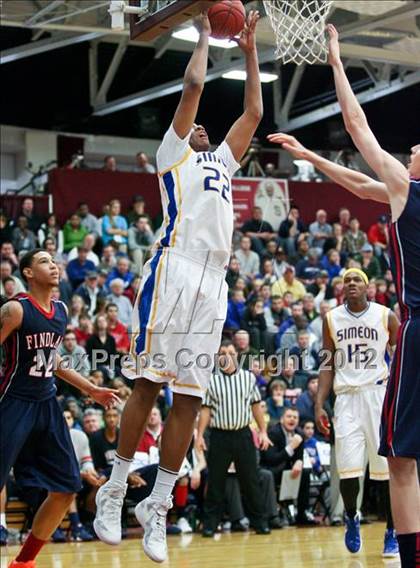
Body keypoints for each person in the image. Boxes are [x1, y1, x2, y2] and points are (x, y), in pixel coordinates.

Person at [93, 9, 263, 563]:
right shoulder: (173, 155)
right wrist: (206, 31)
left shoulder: (222, 163)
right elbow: (194, 83)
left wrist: (252, 47)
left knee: (189, 399)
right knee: (147, 385)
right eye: (189, 123)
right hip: (174, 269)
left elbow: (254, 111)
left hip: (214, 281)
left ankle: (158, 505)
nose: (199, 124)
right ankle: (115, 489)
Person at [0, 249, 119, 568]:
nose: (52, 266)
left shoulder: (61, 310)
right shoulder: (15, 310)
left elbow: (51, 358)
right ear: (26, 273)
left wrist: (90, 388)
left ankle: (23, 562)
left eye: (54, 262)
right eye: (43, 262)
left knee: (67, 487)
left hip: (46, 404)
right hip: (13, 402)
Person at [314, 268, 399, 557]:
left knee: (384, 471)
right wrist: (318, 403)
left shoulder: (386, 316)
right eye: (346, 280)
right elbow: (327, 365)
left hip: (378, 396)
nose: (351, 283)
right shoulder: (331, 319)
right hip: (346, 398)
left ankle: (392, 530)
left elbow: (402, 358)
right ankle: (352, 516)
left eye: (357, 280)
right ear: (341, 288)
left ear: (368, 287)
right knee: (348, 470)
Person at [196, 340, 272, 536]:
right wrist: (200, 436)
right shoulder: (211, 380)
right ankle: (210, 525)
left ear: (236, 355)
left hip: (243, 434)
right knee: (215, 482)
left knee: (251, 481)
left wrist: (263, 431)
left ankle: (260, 522)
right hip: (219, 436)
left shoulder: (248, 378)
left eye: (230, 352)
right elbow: (205, 410)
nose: (226, 356)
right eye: (222, 353)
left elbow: (256, 406)